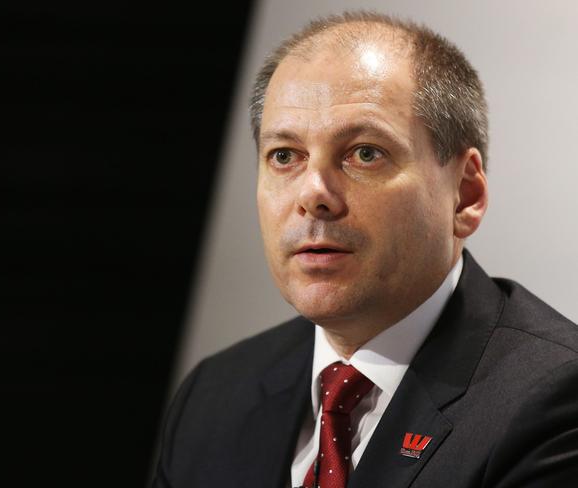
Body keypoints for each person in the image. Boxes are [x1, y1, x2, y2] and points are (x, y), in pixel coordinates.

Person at [152, 10, 578, 488]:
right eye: (284, 156)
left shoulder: (556, 403)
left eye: (365, 153)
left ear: (465, 194)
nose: (313, 194)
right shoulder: (214, 394)